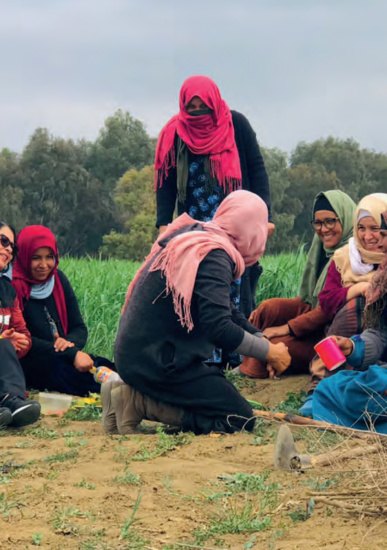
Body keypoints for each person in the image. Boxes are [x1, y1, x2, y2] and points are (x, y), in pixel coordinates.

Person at [102, 190, 291, 435]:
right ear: (252, 230)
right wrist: (268, 353)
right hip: (159, 363)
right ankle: (138, 403)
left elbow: (226, 311)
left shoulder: (199, 239)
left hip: (141, 356)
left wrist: (259, 338)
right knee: (238, 419)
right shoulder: (214, 255)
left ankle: (127, 392)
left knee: (219, 400)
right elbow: (219, 327)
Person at [155, 75, 273, 320]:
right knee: (197, 279)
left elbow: (257, 169)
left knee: (236, 276)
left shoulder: (236, 125)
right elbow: (165, 181)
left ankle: (239, 351)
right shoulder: (174, 132)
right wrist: (164, 224)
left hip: (235, 220)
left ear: (215, 103)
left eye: (204, 107)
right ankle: (203, 354)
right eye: (192, 108)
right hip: (194, 222)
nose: (198, 113)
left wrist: (266, 217)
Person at [239, 190, 356, 379]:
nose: (324, 229)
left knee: (277, 343)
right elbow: (309, 300)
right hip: (313, 321)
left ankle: (256, 369)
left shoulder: (353, 256)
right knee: (268, 308)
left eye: (330, 221)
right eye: (318, 222)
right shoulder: (320, 249)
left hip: (331, 335)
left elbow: (328, 310)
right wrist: (273, 311)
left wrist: (286, 327)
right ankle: (249, 365)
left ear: (345, 217)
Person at [303, 193, 387, 410]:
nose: (369, 237)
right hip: (348, 334)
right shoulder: (344, 257)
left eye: (376, 229)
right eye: (361, 228)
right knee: (356, 305)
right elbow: (327, 302)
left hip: (376, 348)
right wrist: (357, 289)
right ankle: (320, 383)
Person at [11, 226, 100, 396]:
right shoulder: (14, 287)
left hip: (63, 355)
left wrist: (68, 343)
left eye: (49, 257)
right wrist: (70, 353)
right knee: (84, 378)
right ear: (23, 256)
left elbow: (79, 327)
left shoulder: (58, 280)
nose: (44, 265)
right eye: (36, 258)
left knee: (104, 367)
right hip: (31, 362)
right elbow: (23, 339)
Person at [0, 222, 41, 428]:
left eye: (12, 247)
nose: (8, 249)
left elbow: (22, 332)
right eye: (3, 241)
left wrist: (20, 342)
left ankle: (11, 405)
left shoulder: (7, 291)